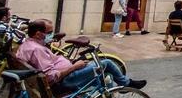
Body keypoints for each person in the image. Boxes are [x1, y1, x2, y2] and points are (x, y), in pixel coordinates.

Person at [17, 18, 145, 92]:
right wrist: (74, 67)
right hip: (65, 81)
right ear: (39, 34)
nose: (52, 34)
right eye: (49, 32)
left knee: (106, 78)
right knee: (106, 64)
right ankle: (126, 83)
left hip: (64, 77)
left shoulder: (28, 45)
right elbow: (50, 77)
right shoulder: (37, 50)